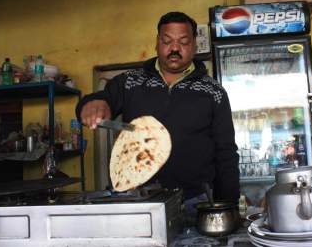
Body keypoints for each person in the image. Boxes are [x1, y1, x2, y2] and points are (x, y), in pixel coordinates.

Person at [76, 11, 240, 209]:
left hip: (195, 202)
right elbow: (101, 100)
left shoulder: (213, 92)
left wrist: (229, 204)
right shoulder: (129, 81)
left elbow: (226, 153)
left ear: (195, 45)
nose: (174, 48)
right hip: (137, 199)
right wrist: (92, 104)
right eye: (167, 40)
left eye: (184, 41)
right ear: (156, 42)